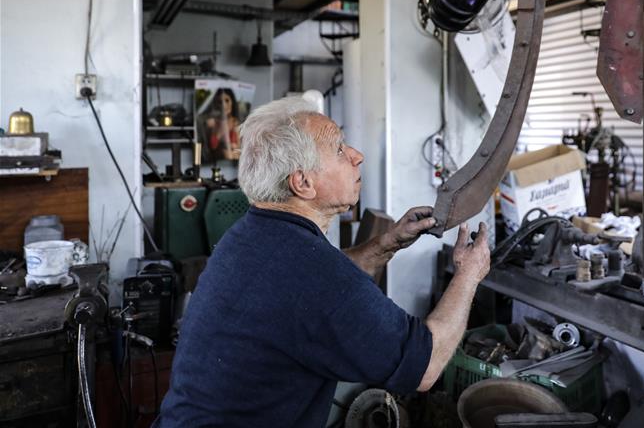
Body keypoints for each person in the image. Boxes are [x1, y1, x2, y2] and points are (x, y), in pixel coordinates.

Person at [156, 96, 491, 427]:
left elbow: (308, 291)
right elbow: (425, 366)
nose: (357, 156)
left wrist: (386, 244)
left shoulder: (254, 234)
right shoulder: (311, 272)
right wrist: (469, 273)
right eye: (340, 149)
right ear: (302, 183)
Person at [202, 88, 241, 161]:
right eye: (220, 102)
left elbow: (239, 148)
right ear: (216, 104)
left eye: (227, 100)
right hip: (217, 161)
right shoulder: (211, 123)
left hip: (234, 161)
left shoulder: (236, 122)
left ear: (232, 102)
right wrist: (220, 131)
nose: (224, 105)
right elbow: (211, 148)